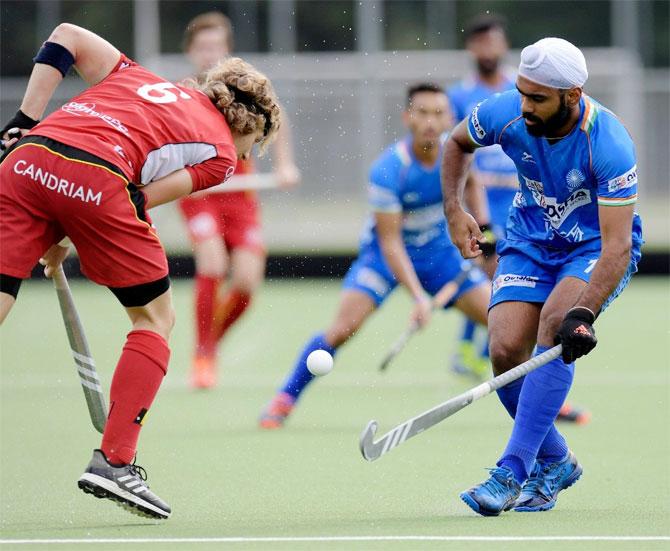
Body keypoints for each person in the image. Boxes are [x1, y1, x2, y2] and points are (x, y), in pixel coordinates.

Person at [0, 23, 280, 519]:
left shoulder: (136, 75)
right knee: (155, 319)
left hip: (26, 158)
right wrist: (75, 225)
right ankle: (115, 461)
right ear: (250, 125)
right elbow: (136, 198)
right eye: (253, 143)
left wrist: (24, 120)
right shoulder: (220, 157)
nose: (246, 155)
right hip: (98, 180)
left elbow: (66, 36)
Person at [441, 37, 642, 516]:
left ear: (572, 95)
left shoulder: (609, 143)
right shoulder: (505, 111)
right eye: (521, 92)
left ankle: (512, 470)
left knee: (555, 326)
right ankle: (556, 460)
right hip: (529, 239)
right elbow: (456, 143)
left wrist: (583, 314)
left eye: (537, 98)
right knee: (506, 350)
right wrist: (454, 209)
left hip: (592, 248)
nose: (524, 105)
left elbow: (617, 246)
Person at [258, 83, 491, 429]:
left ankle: (547, 403)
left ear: (449, 120)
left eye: (438, 113)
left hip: (439, 256)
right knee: (340, 330)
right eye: (422, 112)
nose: (430, 121)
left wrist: (483, 229)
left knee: (502, 322)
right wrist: (417, 297)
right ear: (407, 117)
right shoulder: (389, 169)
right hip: (383, 258)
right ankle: (284, 399)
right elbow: (391, 242)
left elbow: (472, 182)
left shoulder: (456, 155)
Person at [448, 15, 590, 425]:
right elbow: (459, 146)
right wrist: (468, 209)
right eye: (480, 43)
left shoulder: (534, 86)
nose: (488, 50)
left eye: (494, 42)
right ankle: (523, 382)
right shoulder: (464, 97)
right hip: (488, 207)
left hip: (531, 206)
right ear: (472, 50)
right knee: (506, 299)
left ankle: (533, 391)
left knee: (538, 310)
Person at [179, 12, 301, 389]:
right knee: (213, 263)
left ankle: (210, 344)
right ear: (190, 52)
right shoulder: (184, 92)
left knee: (247, 282)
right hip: (200, 193)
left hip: (240, 196)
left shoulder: (245, 87)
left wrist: (285, 166)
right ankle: (203, 354)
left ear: (227, 50)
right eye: (202, 47)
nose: (209, 53)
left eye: (216, 46)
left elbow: (278, 121)